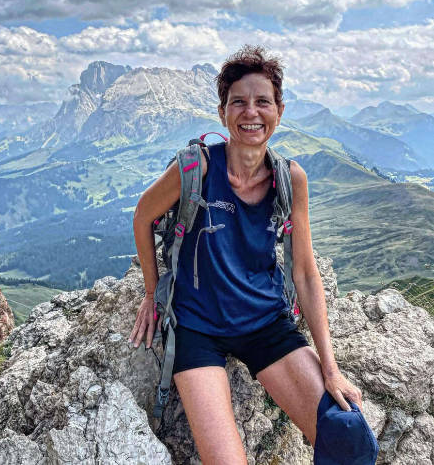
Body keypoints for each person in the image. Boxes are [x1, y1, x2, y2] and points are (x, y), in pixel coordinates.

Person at [129, 45, 379, 465]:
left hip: (265, 323)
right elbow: (142, 216)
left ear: (279, 110)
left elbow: (304, 273)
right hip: (198, 327)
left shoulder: (290, 179)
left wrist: (330, 367)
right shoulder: (197, 169)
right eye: (238, 102)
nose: (251, 113)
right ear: (223, 112)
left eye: (263, 101)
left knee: (349, 436)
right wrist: (153, 294)